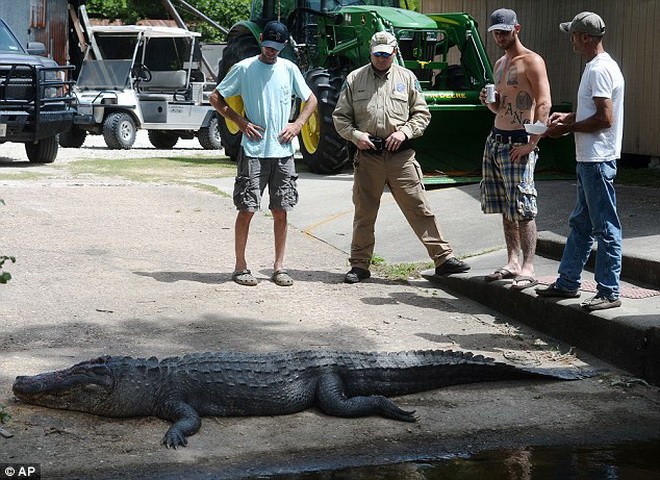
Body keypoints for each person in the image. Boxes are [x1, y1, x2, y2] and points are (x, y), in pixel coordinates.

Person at [332, 31, 469, 284]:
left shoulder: (407, 78)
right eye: (377, 54)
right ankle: (360, 265)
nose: (382, 59)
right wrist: (356, 136)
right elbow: (340, 117)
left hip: (401, 157)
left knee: (420, 208)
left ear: (395, 52)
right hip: (368, 156)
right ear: (370, 52)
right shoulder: (354, 79)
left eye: (386, 54)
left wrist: (405, 132)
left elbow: (422, 114)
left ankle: (443, 259)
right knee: (364, 213)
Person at [210, 21, 318, 287]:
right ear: (261, 40)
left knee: (281, 210)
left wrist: (298, 124)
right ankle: (240, 267)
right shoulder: (244, 68)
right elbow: (216, 97)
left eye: (277, 47)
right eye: (268, 46)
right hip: (253, 151)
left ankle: (279, 268)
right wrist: (240, 121)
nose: (272, 51)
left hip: (282, 152)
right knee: (247, 208)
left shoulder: (289, 69)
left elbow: (311, 99)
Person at [536, 12, 625, 311]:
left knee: (605, 226)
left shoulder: (599, 70)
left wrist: (567, 127)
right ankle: (568, 281)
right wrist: (570, 117)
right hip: (591, 159)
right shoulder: (599, 66)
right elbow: (594, 112)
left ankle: (609, 290)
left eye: (573, 34)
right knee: (581, 224)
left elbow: (604, 118)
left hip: (596, 159)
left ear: (585, 37)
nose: (571, 39)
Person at [479, 8, 552, 291]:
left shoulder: (532, 61)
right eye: (496, 32)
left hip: (519, 141)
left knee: (523, 207)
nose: (499, 37)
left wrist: (532, 143)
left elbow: (544, 103)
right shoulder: (500, 64)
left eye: (504, 32)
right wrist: (488, 101)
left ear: (517, 29)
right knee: (505, 207)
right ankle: (512, 261)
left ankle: (529, 266)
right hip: (496, 140)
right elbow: (500, 106)